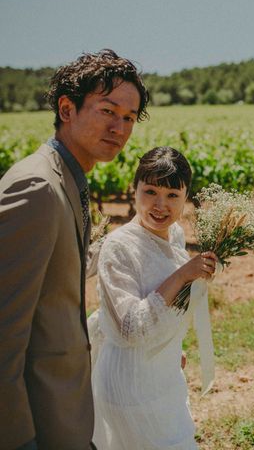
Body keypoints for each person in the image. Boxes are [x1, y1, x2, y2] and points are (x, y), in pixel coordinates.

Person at [0, 49, 149, 450]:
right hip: (37, 424)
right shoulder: (38, 189)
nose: (119, 127)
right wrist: (17, 440)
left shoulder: (67, 180)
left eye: (129, 118)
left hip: (63, 415)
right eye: (108, 111)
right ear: (67, 109)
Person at [90, 147, 217, 449]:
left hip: (162, 375)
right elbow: (130, 327)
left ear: (186, 196)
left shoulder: (174, 234)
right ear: (133, 190)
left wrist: (172, 346)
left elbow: (164, 305)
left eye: (173, 195)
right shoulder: (119, 248)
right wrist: (183, 275)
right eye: (150, 192)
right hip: (130, 385)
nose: (160, 205)